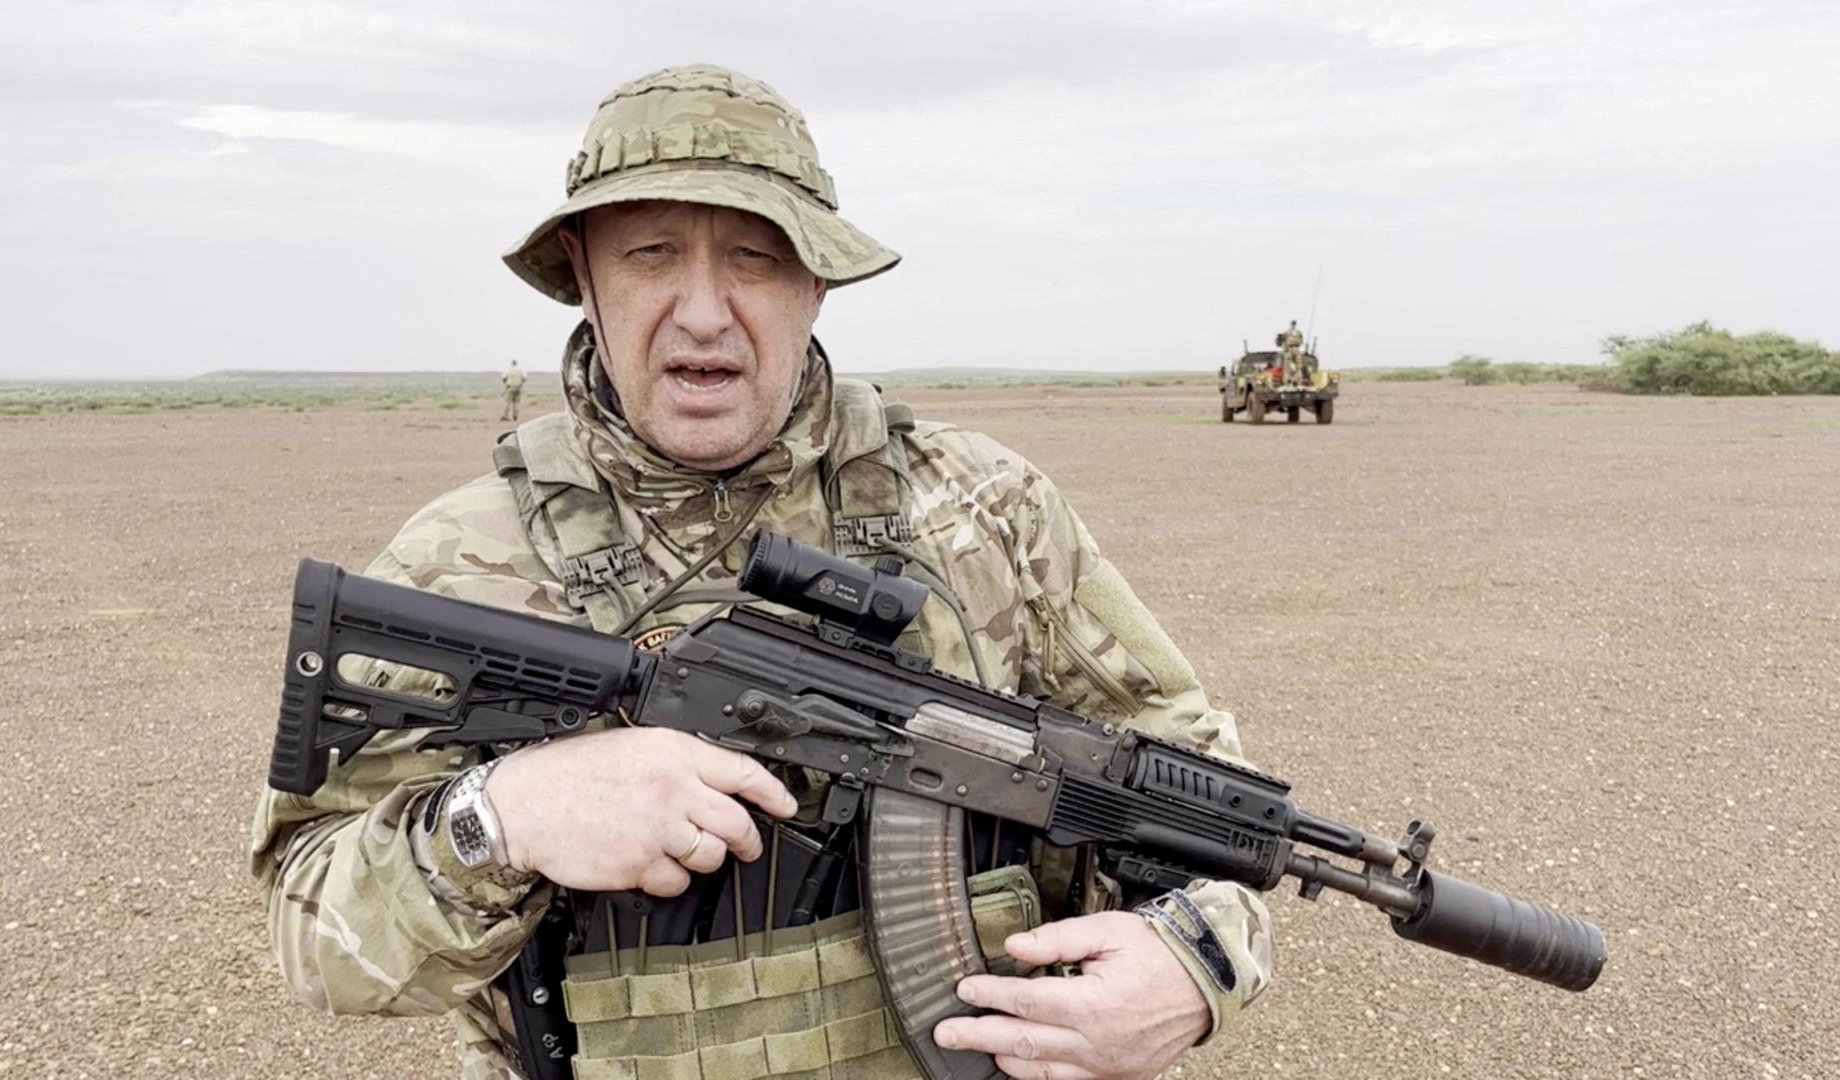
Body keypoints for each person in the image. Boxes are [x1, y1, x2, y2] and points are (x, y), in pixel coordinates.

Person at [252, 64, 1274, 1080]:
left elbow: (1194, 790)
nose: (704, 312)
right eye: (652, 253)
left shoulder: (988, 511)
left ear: (816, 282)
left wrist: (1195, 967)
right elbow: (318, 940)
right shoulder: (458, 563)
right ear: (585, 270)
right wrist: (504, 815)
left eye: (755, 257)